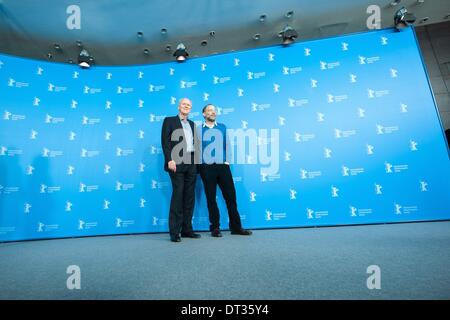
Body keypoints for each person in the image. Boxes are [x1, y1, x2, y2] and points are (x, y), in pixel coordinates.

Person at [198, 104, 252, 237]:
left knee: (231, 197)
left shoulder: (222, 127)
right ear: (204, 114)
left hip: (223, 167)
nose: (213, 112)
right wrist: (201, 167)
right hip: (207, 167)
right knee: (211, 198)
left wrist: (227, 161)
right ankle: (215, 228)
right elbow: (197, 149)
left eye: (214, 110)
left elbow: (227, 145)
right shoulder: (198, 130)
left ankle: (236, 227)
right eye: (209, 110)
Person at [161, 98, 201, 242]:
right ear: (179, 107)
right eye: (184, 104)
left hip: (191, 163)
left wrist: (196, 164)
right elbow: (165, 142)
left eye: (189, 105)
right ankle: (174, 232)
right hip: (176, 162)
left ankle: (187, 229)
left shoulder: (192, 124)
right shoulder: (169, 120)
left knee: (189, 197)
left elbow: (195, 144)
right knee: (178, 196)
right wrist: (169, 160)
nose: (186, 106)